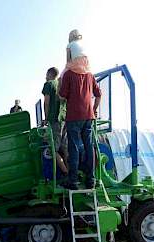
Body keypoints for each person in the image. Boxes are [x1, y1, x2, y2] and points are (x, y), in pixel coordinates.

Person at [59, 34, 101, 190]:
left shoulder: (69, 74)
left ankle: (74, 181)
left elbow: (62, 95)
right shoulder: (90, 75)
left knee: (74, 148)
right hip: (88, 116)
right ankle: (91, 180)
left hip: (73, 116)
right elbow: (99, 94)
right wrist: (94, 110)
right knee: (89, 147)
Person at [42, 67, 68, 176]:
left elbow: (47, 102)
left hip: (54, 120)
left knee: (54, 149)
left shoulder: (48, 84)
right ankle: (73, 172)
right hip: (64, 120)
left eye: (46, 74)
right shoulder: (61, 84)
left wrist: (46, 118)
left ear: (49, 74)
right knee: (65, 148)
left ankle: (67, 173)